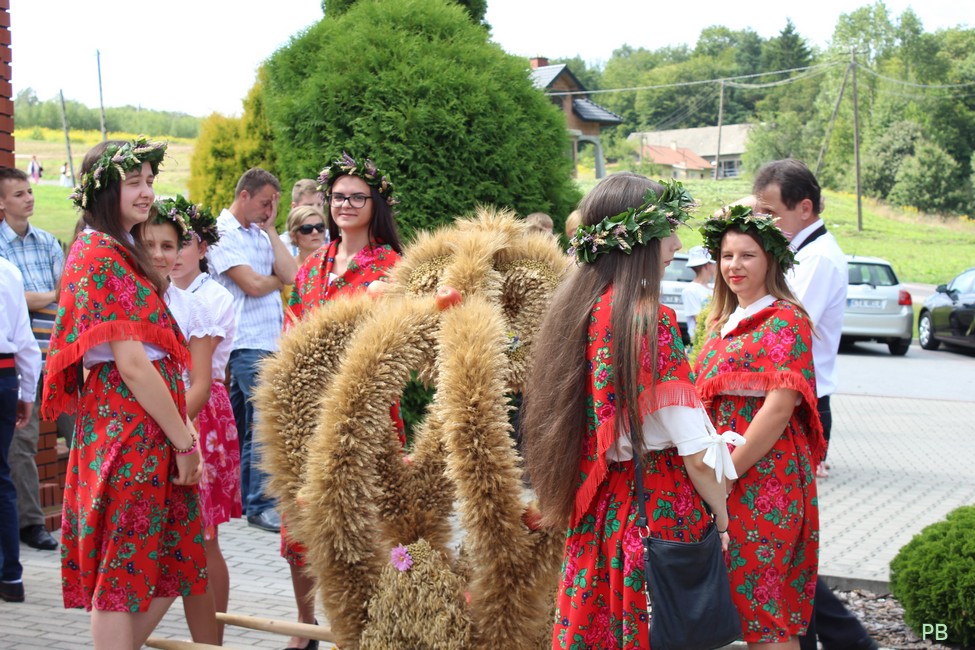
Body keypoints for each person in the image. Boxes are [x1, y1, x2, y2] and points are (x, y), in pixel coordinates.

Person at [522, 173, 739, 649]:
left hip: (601, 512)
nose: (676, 245)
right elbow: (698, 455)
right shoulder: (648, 319)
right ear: (637, 239)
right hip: (655, 510)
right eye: (667, 231)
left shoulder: (582, 309)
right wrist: (722, 521)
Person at [41, 138, 206, 649]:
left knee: (171, 560)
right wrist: (184, 440)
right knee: (121, 574)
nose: (146, 192)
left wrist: (181, 431)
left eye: (150, 181)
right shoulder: (99, 253)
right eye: (134, 182)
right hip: (129, 425)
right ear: (103, 190)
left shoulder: (119, 250)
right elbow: (133, 364)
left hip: (145, 421)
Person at [753, 160, 877, 650]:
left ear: (804, 208)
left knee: (785, 538)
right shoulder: (801, 252)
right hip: (787, 399)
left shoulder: (819, 260)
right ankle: (823, 639)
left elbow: (782, 326)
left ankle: (849, 638)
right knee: (784, 538)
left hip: (797, 404)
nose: (762, 222)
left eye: (770, 212)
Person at [282, 152, 403, 650]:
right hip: (306, 410)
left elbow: (403, 342)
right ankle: (306, 626)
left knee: (371, 521)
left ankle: (368, 625)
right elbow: (290, 334)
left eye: (357, 197)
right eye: (338, 197)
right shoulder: (312, 267)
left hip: (366, 409)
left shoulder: (394, 267)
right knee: (302, 522)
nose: (346, 205)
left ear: (376, 204)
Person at [694, 205, 824, 649]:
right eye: (727, 255)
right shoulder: (721, 321)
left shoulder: (786, 318)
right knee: (740, 602)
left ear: (771, 260)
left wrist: (727, 472)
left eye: (747, 255)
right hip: (722, 475)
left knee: (765, 610)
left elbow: (780, 407)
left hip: (765, 475)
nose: (734, 265)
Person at [164, 195, 240, 645]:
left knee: (204, 534)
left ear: (203, 247)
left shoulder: (213, 298)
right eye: (165, 244)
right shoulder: (158, 291)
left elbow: (198, 372)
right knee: (180, 531)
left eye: (183, 243)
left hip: (200, 411)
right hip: (167, 407)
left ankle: (213, 639)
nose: (174, 253)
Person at [207, 168, 297, 534]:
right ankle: (261, 504)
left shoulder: (261, 233)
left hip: (269, 340)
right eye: (264, 203)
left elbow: (292, 274)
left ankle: (246, 501)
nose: (268, 211)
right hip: (245, 341)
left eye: (274, 205)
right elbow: (254, 285)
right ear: (243, 195)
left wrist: (272, 230)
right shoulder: (221, 233)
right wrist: (275, 281)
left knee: (247, 425)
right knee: (264, 421)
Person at [0, 167, 62, 551]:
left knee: (81, 432)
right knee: (22, 445)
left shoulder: (49, 242)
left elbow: (67, 295)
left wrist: (43, 297)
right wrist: (49, 296)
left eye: (29, 191)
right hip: (23, 362)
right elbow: (14, 300)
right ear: (2, 202)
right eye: (19, 194)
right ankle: (31, 524)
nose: (29, 198)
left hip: (58, 356)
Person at [0, 258, 42, 603]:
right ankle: (11, 577)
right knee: (2, 477)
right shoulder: (7, 270)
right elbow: (25, 340)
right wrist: (27, 393)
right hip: (3, 376)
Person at [280, 179, 327, 257]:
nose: (316, 210)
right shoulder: (282, 244)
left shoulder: (334, 238)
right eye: (309, 205)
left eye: (319, 205)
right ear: (294, 207)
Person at [681, 244, 715, 342]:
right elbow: (698, 319)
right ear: (707, 265)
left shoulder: (713, 288)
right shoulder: (690, 290)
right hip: (701, 341)